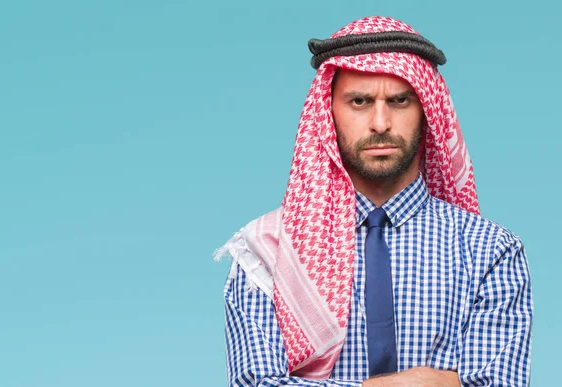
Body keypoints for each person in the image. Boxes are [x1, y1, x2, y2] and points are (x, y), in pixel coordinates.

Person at [214, 16, 533, 386]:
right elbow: (256, 383)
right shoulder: (267, 251)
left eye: (399, 101)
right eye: (360, 101)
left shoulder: (490, 251)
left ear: (427, 112)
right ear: (328, 114)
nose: (380, 123)